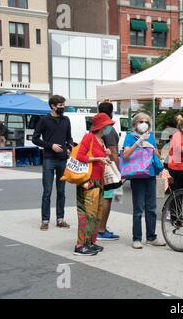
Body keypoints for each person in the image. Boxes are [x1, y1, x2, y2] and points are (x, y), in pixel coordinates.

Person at [122, 113, 166, 249]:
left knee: (151, 207)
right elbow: (125, 154)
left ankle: (151, 237)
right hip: (137, 175)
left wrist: (152, 147)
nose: (144, 123)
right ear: (135, 123)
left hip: (150, 174)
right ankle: (137, 238)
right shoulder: (130, 136)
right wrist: (138, 142)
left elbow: (157, 155)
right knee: (138, 208)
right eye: (141, 121)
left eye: (146, 121)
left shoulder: (150, 136)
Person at [74, 113, 114, 256]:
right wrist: (98, 158)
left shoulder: (101, 140)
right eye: (107, 125)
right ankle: (80, 245)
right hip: (88, 181)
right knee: (87, 213)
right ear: (101, 126)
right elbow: (80, 156)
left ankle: (91, 242)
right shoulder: (89, 137)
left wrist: (106, 155)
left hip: (99, 181)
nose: (109, 127)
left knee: (97, 214)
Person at [33, 95, 73, 231]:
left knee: (61, 192)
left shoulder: (66, 120)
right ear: (53, 106)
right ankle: (45, 220)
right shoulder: (44, 120)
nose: (63, 107)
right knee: (47, 192)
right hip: (49, 159)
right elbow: (35, 139)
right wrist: (50, 146)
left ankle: (60, 219)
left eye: (63, 104)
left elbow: (69, 138)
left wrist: (69, 148)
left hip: (62, 160)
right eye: (60, 105)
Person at [96, 101, 121, 241]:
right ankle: (101, 229)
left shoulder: (95, 127)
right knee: (107, 197)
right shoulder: (108, 129)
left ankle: (99, 227)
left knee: (101, 197)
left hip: (98, 166)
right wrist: (119, 170)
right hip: (107, 167)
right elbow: (113, 152)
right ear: (111, 112)